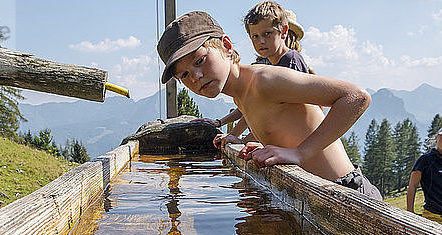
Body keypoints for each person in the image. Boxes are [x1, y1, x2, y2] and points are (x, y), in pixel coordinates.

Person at [157, 11, 382, 199]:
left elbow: (356, 97)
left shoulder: (264, 80)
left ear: (226, 46)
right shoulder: (240, 94)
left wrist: (299, 153)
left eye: (200, 60)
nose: (195, 76)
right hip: (319, 195)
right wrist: (255, 142)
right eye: (184, 75)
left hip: (348, 192)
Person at [200, 2, 312, 148]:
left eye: (267, 34)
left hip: (300, 145)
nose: (261, 41)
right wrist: (228, 129)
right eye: (255, 36)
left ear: (284, 32)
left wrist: (243, 139)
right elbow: (249, 108)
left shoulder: (290, 61)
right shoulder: (268, 65)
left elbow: (279, 116)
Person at [407, 121, 442, 229]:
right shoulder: (426, 160)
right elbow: (413, 185)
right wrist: (410, 211)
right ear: (437, 137)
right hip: (433, 214)